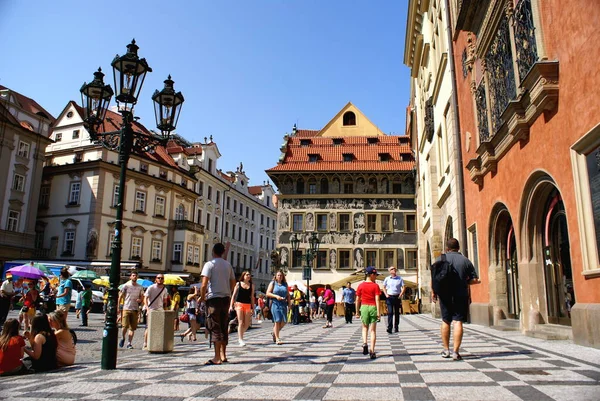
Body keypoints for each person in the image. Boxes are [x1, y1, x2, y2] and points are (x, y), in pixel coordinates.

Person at [432, 238, 480, 361]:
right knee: (458, 321)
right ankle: (456, 352)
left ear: (446, 248)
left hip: (444, 294)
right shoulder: (465, 261)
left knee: (445, 320)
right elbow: (475, 279)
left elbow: (434, 279)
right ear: (458, 248)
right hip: (460, 294)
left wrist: (434, 293)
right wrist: (465, 282)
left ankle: (446, 350)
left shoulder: (440, 260)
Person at [199, 243, 236, 365]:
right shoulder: (228, 265)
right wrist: (228, 293)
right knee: (224, 326)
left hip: (214, 299)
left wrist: (202, 296)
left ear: (213, 251)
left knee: (215, 327)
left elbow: (204, 284)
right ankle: (223, 355)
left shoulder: (209, 264)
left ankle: (216, 357)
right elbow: (233, 283)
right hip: (225, 298)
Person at [356, 266, 381, 359]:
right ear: (371, 275)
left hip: (364, 307)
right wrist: (379, 312)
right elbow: (377, 299)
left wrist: (357, 311)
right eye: (375, 275)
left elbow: (357, 299)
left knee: (364, 328)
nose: (376, 277)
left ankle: (365, 343)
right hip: (373, 307)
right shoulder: (375, 286)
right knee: (373, 330)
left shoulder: (361, 286)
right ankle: (372, 351)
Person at [119, 271, 145, 349]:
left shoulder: (140, 287)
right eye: (133, 275)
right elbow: (120, 296)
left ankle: (129, 343)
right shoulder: (126, 286)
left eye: (136, 276)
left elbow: (142, 296)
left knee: (132, 328)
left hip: (135, 309)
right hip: (126, 308)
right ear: (130, 277)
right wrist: (118, 306)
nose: (134, 277)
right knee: (124, 326)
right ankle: (123, 337)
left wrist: (140, 300)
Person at [142, 274, 169, 350]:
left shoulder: (164, 289)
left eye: (161, 278)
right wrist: (147, 308)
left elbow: (164, 301)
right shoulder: (151, 288)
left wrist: (165, 310)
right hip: (151, 309)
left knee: (159, 327)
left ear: (163, 280)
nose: (160, 279)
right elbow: (145, 298)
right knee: (148, 327)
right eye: (158, 278)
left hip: (159, 310)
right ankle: (145, 343)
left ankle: (156, 342)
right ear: (156, 279)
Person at [229, 270, 255, 346]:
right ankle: (240, 339)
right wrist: (231, 305)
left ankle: (240, 335)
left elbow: (252, 297)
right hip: (239, 304)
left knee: (247, 324)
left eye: (249, 275)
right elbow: (233, 295)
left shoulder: (252, 285)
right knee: (240, 322)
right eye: (247, 275)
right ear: (243, 276)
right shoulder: (238, 284)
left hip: (247, 305)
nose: (248, 276)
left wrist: (252, 307)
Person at [266, 270, 290, 345]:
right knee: (277, 321)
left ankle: (274, 333)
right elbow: (268, 293)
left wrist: (289, 304)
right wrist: (276, 296)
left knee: (284, 321)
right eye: (278, 275)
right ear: (276, 276)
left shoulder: (285, 284)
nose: (280, 277)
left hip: (283, 304)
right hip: (275, 303)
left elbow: (288, 294)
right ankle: (277, 338)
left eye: (281, 275)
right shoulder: (273, 283)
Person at [382, 266, 404, 334]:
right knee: (390, 312)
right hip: (389, 297)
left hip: (397, 297)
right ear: (389, 271)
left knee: (397, 312)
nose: (393, 270)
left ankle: (396, 326)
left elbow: (403, 287)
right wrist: (386, 294)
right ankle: (389, 327)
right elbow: (383, 287)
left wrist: (401, 294)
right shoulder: (387, 278)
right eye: (392, 269)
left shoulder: (400, 278)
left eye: (394, 269)